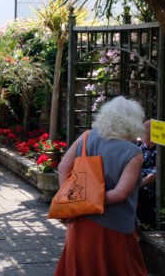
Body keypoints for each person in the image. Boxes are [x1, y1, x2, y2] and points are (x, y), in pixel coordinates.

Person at [54, 96, 148, 276]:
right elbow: (120, 194)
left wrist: (72, 201)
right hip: (115, 226)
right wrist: (91, 202)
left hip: (80, 221)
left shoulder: (86, 136)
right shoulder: (133, 153)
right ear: (133, 122)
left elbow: (63, 167)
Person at [137, 119, 157, 229]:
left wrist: (133, 187)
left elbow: (153, 177)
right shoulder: (141, 146)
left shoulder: (160, 151)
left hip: (148, 190)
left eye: (143, 131)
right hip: (136, 183)